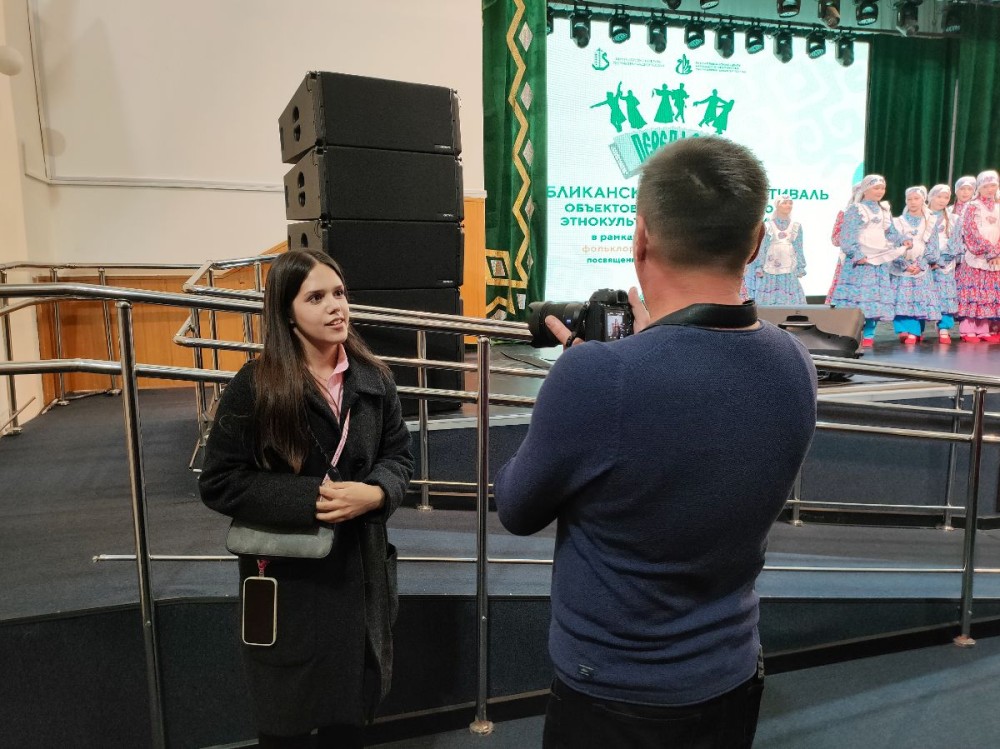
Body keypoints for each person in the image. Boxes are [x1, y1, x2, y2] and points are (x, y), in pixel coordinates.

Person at [493, 137, 818, 749]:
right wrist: (641, 353)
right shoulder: (794, 361)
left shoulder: (597, 377)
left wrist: (577, 384)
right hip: (732, 673)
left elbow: (516, 507)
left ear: (640, 235)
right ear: (755, 241)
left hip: (616, 696)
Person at [199, 249, 414, 748]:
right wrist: (310, 497)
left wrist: (375, 492)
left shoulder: (374, 378)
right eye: (315, 297)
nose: (336, 306)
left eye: (339, 293)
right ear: (287, 312)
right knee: (286, 721)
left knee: (349, 719)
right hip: (289, 579)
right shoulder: (256, 386)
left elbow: (400, 456)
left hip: (359, 574)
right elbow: (220, 481)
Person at [828, 175, 911, 347]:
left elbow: (891, 232)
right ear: (865, 189)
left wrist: (902, 240)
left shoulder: (884, 210)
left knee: (874, 299)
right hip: (861, 261)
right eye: (876, 188)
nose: (880, 191)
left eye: (882, 188)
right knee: (857, 298)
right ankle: (852, 333)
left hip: (878, 260)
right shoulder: (856, 209)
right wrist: (857, 255)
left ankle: (869, 334)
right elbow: (847, 235)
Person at [889, 186, 941, 343]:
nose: (912, 202)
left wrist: (921, 264)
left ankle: (915, 331)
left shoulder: (930, 222)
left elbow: (933, 246)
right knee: (901, 298)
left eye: (916, 198)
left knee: (918, 299)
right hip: (902, 266)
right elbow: (892, 245)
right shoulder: (897, 222)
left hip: (920, 266)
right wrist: (905, 264)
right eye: (909, 199)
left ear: (923, 200)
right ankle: (904, 329)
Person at [955, 170, 1000, 342]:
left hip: (994, 258)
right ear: (979, 187)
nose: (990, 189)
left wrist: (997, 251)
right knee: (973, 292)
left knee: (987, 293)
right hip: (976, 256)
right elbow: (970, 230)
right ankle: (968, 329)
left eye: (993, 185)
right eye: (986, 186)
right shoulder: (972, 206)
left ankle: (983, 328)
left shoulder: (998, 207)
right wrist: (989, 250)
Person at [745, 195, 807, 305]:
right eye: (784, 203)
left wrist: (800, 266)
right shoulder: (768, 225)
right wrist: (760, 266)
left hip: (789, 265)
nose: (788, 205)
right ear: (777, 205)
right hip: (771, 265)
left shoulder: (796, 226)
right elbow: (763, 246)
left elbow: (798, 247)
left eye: (790, 203)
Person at [926, 184, 958, 343]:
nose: (942, 200)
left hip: (945, 263)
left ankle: (944, 328)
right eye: (939, 196)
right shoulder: (922, 216)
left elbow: (955, 242)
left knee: (945, 295)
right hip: (925, 262)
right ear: (931, 197)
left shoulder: (953, 219)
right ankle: (915, 329)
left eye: (946, 197)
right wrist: (929, 259)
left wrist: (941, 260)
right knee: (922, 294)